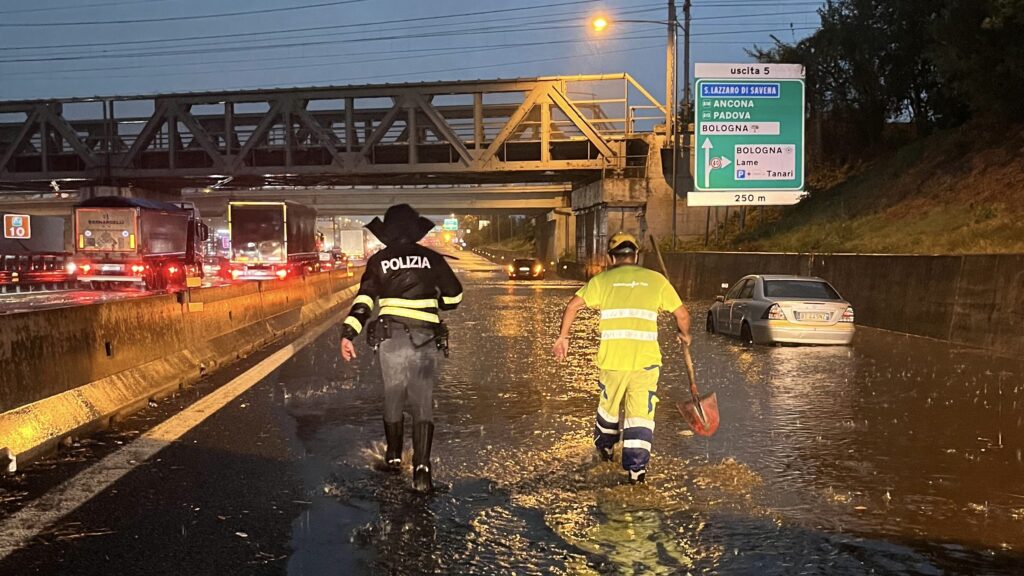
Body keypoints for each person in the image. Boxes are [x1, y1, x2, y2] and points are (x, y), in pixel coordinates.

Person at [339, 204, 463, 492]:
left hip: (390, 338)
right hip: (425, 339)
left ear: (388, 232)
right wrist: (437, 302)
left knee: (393, 395)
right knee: (422, 401)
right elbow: (455, 296)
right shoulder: (432, 258)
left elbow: (364, 300)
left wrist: (349, 333)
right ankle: (422, 470)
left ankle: (393, 458)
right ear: (415, 231)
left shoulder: (378, 260)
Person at [552, 232, 691, 484]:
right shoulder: (657, 280)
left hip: (612, 362)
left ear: (611, 257)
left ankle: (605, 450)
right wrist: (685, 335)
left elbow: (572, 306)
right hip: (646, 364)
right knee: (640, 417)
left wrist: (563, 337)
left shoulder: (602, 280)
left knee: (608, 410)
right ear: (636, 255)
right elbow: (682, 315)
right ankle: (636, 472)